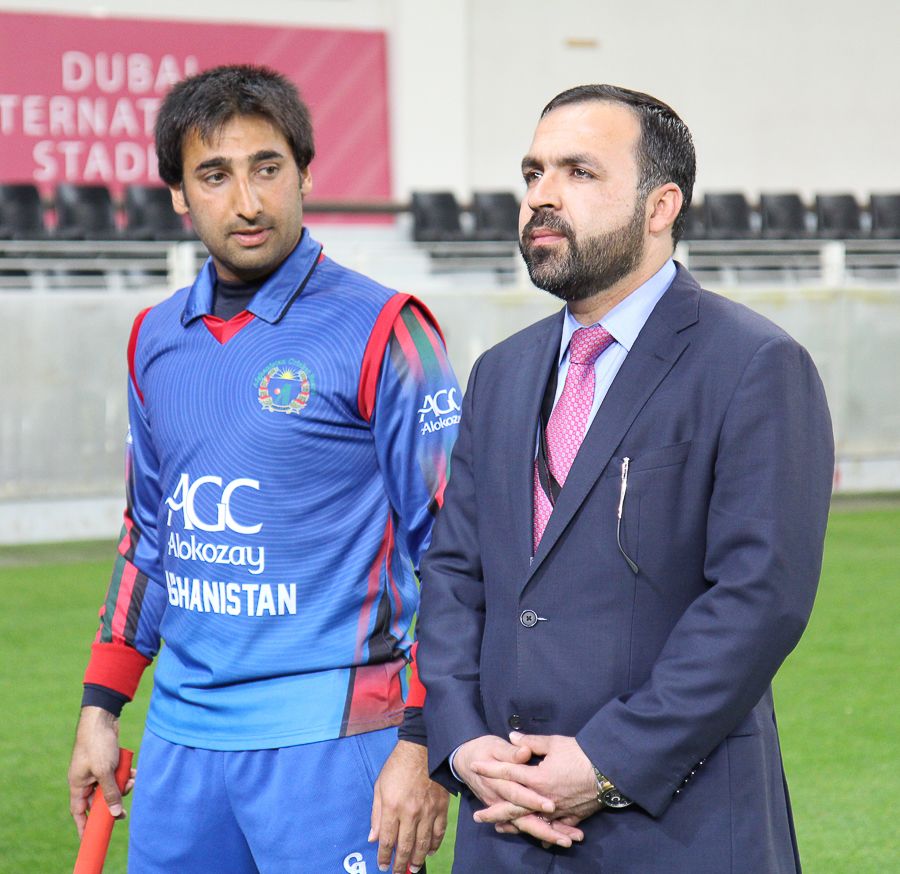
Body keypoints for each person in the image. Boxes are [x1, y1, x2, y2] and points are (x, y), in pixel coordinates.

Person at [417, 84, 834, 873]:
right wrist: (464, 739)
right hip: (504, 823)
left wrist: (607, 760)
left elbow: (758, 599)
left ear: (660, 204)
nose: (541, 196)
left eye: (578, 172)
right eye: (533, 172)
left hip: (676, 825)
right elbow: (453, 574)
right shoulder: (500, 373)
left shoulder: (753, 364)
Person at [67, 64, 456, 874]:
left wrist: (423, 740)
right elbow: (150, 536)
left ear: (305, 173)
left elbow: (456, 552)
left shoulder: (388, 330)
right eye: (215, 174)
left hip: (336, 740)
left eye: (267, 168)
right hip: (180, 743)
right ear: (178, 193)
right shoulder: (153, 339)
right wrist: (101, 706)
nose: (247, 202)